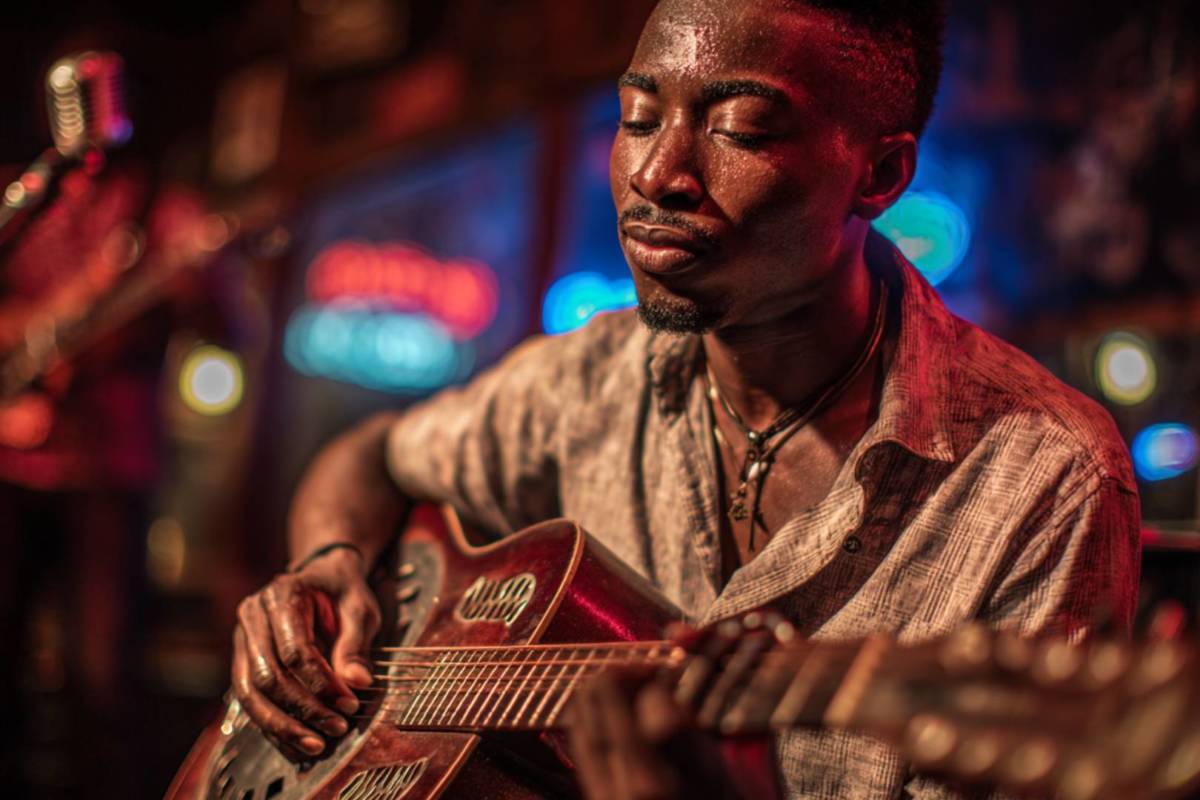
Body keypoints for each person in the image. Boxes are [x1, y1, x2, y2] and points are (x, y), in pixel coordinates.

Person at [228, 0, 1141, 797]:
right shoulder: (585, 381)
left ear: (881, 175)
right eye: (635, 115)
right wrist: (330, 561)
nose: (657, 173)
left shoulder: (1042, 478)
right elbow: (371, 455)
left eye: (740, 128)